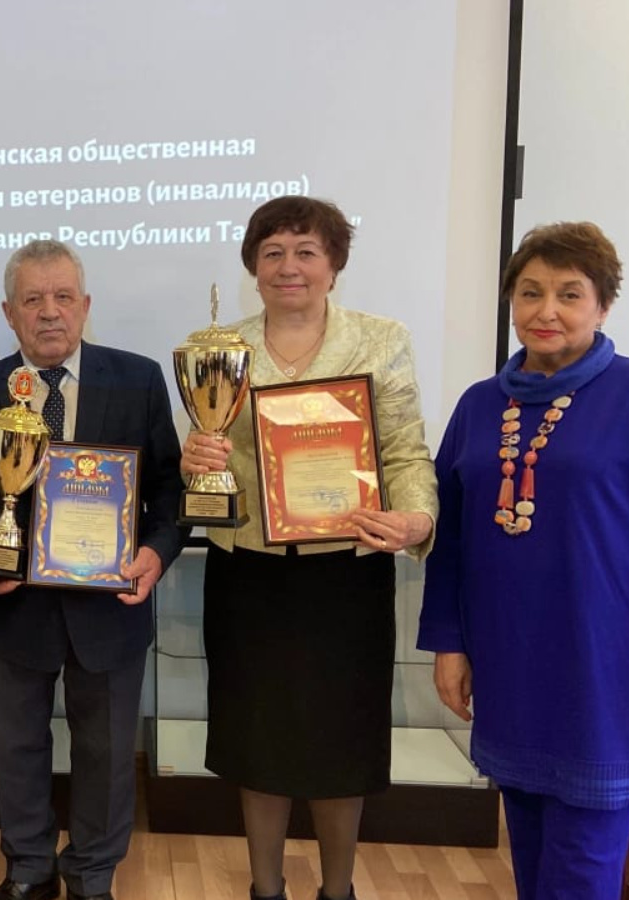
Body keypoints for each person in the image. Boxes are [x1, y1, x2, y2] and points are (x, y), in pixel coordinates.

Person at [417, 222, 629, 900]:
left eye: (569, 294)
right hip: (510, 662)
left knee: (583, 865)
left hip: (610, 672)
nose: (546, 310)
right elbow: (452, 542)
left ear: (603, 306)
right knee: (530, 853)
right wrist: (448, 643)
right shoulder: (479, 404)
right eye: (530, 292)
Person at [181, 196, 438, 900]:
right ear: (253, 266)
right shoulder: (218, 346)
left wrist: (416, 519)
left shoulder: (380, 340)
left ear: (334, 265)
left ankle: (338, 890)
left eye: (305, 251)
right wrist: (194, 457)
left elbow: (405, 449)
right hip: (248, 573)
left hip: (346, 575)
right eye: (272, 253)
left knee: (341, 739)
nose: (288, 267)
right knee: (256, 736)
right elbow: (206, 457)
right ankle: (265, 888)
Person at [0, 240, 186, 900]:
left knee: (106, 753)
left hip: (110, 607)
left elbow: (169, 489)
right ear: (8, 312)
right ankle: (28, 869)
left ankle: (91, 875)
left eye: (63, 297)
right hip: (14, 606)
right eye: (32, 299)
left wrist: (156, 553)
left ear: (85, 305)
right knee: (17, 747)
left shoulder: (136, 380)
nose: (49, 312)